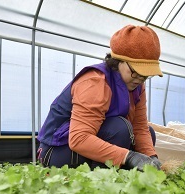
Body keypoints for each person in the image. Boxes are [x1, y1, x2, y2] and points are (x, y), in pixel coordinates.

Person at [37, 25, 163, 171]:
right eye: (136, 72)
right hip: (57, 150)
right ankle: (100, 183)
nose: (141, 79)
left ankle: (119, 180)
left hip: (86, 147)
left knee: (148, 132)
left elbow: (140, 127)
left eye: (146, 75)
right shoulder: (95, 82)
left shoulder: (137, 86)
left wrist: (151, 158)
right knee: (120, 128)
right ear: (119, 60)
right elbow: (79, 139)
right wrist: (128, 157)